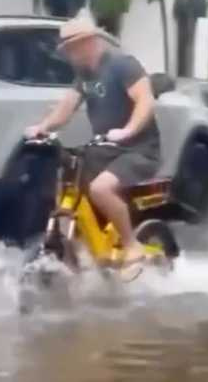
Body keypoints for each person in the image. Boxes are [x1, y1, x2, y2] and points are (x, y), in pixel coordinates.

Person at [25, 17, 161, 265]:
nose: (70, 55)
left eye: (73, 48)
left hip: (138, 149)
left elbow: (145, 101)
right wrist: (42, 127)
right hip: (104, 149)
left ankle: (131, 244)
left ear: (89, 42)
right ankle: (87, 248)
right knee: (70, 186)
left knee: (100, 189)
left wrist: (127, 131)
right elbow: (66, 108)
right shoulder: (84, 74)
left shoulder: (123, 65)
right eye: (67, 51)